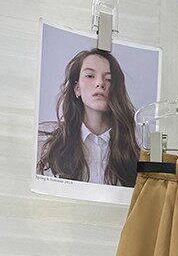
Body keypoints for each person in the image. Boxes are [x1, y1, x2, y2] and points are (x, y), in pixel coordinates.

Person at [37, 49, 139, 187]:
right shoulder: (47, 141)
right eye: (90, 76)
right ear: (77, 88)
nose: (100, 83)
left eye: (109, 79)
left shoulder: (135, 145)